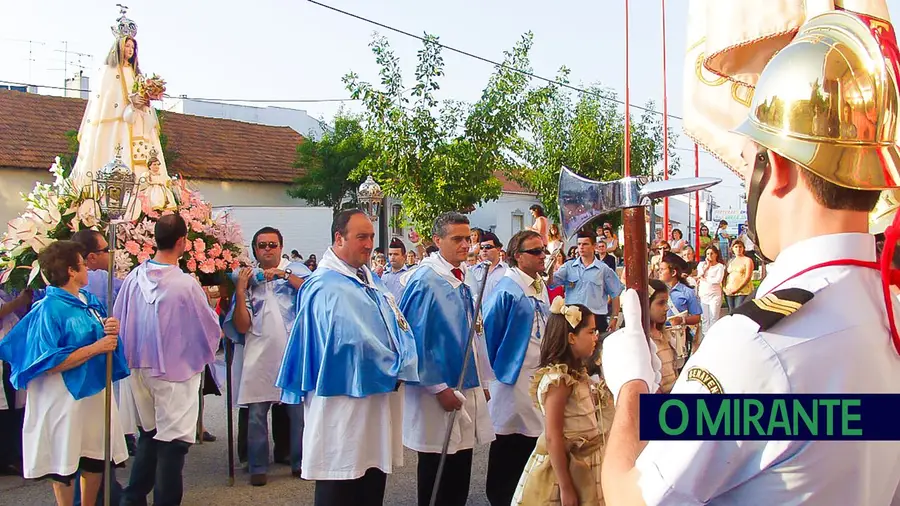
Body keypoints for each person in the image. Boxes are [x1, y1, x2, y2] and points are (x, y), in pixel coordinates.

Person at [600, 12, 900, 504]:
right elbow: (806, 427)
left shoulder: (758, 346)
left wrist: (631, 384)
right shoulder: (886, 309)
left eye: (751, 160)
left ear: (776, 166)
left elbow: (630, 496)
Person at [278, 209, 419, 505]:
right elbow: (348, 341)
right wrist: (393, 365)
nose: (369, 244)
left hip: (375, 398)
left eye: (370, 237)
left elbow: (394, 323)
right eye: (361, 237)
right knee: (341, 481)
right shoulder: (325, 287)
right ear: (339, 238)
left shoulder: (369, 279)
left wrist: (404, 354)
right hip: (341, 402)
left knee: (370, 481)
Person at [0, 241, 129, 506]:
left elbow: (99, 338)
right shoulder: (48, 309)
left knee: (94, 457)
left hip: (93, 396)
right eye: (83, 264)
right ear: (71, 271)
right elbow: (47, 361)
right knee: (64, 461)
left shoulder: (88, 301)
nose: (87, 269)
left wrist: (108, 327)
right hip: (63, 399)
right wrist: (96, 347)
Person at [115, 214, 221, 506]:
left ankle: (132, 498)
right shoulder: (185, 284)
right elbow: (208, 328)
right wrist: (213, 309)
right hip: (174, 372)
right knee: (173, 445)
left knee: (150, 435)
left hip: (138, 366)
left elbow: (119, 317)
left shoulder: (134, 278)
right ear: (182, 242)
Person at [399, 212, 495, 506]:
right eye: (457, 239)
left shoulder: (462, 276)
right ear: (437, 241)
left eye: (468, 238)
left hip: (464, 382)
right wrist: (438, 388)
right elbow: (414, 339)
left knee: (460, 462)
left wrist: (483, 377)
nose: (466, 244)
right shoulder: (426, 281)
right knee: (437, 465)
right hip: (438, 390)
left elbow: (473, 332)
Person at [226, 227, 310, 486]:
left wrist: (283, 275)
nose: (268, 250)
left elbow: (313, 291)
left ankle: (301, 462)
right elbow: (241, 326)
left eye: (272, 245)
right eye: (262, 245)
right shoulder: (247, 277)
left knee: (298, 413)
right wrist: (240, 291)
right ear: (255, 250)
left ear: (281, 247)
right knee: (256, 413)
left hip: (292, 352)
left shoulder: (296, 270)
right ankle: (258, 466)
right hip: (258, 353)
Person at [511, 298, 613, 506]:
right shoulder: (559, 381)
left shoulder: (578, 374)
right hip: (566, 468)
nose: (596, 337)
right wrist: (566, 488)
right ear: (572, 338)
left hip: (589, 460)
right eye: (590, 331)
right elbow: (553, 437)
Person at [482, 230, 549, 506]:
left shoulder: (538, 284)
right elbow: (488, 335)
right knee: (509, 440)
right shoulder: (507, 289)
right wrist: (491, 377)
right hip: (511, 378)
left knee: (532, 441)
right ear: (518, 257)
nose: (542, 255)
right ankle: (500, 496)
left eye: (542, 249)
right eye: (535, 252)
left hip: (536, 375)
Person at [70, 8, 168, 191]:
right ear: (119, 47)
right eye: (127, 46)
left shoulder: (136, 73)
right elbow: (106, 98)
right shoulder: (108, 71)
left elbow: (140, 94)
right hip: (117, 121)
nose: (130, 50)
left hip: (137, 121)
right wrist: (129, 102)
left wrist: (145, 98)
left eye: (132, 47)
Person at [549, 231, 623, 332]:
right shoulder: (568, 267)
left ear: (594, 246)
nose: (581, 247)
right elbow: (551, 283)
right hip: (573, 317)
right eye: (579, 244)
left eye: (585, 244)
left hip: (596, 317)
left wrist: (614, 317)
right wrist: (549, 269)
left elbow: (615, 293)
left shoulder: (603, 269)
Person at [0, 288, 30, 477]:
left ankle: (12, 455)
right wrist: (20, 301)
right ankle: (7, 458)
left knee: (13, 408)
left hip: (10, 354)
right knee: (6, 410)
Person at [646, 280, 681, 393]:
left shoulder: (664, 335)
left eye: (666, 302)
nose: (666, 308)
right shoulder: (643, 341)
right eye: (661, 303)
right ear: (645, 304)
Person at [467, 231, 508, 303]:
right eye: (481, 247)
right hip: (479, 312)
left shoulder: (507, 271)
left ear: (498, 249)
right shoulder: (472, 271)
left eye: (488, 247)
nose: (484, 250)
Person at [697, 245, 726, 333]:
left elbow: (718, 280)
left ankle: (713, 335)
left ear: (716, 254)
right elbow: (699, 275)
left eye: (712, 254)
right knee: (705, 318)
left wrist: (705, 279)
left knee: (714, 317)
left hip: (714, 295)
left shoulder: (720, 266)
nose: (710, 256)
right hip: (703, 295)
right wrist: (707, 267)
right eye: (708, 254)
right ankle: (705, 336)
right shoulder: (701, 264)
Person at [724, 239, 755, 312]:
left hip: (742, 291)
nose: (738, 249)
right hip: (729, 291)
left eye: (740, 247)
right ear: (732, 249)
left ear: (743, 248)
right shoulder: (730, 261)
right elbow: (725, 276)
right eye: (736, 247)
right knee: (731, 313)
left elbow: (748, 277)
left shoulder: (747, 260)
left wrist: (736, 289)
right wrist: (725, 289)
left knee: (739, 312)